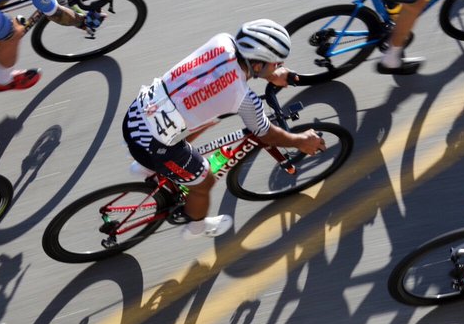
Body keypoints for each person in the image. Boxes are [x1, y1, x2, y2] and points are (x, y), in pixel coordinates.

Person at [122, 20, 326, 239]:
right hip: (151, 144)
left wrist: (269, 73)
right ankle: (197, 227)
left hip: (137, 113)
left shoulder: (222, 40)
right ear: (257, 65)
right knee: (204, 182)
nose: (279, 66)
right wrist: (301, 141)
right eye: (276, 63)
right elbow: (266, 133)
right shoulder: (243, 99)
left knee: (208, 119)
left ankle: (147, 167)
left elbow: (221, 75)